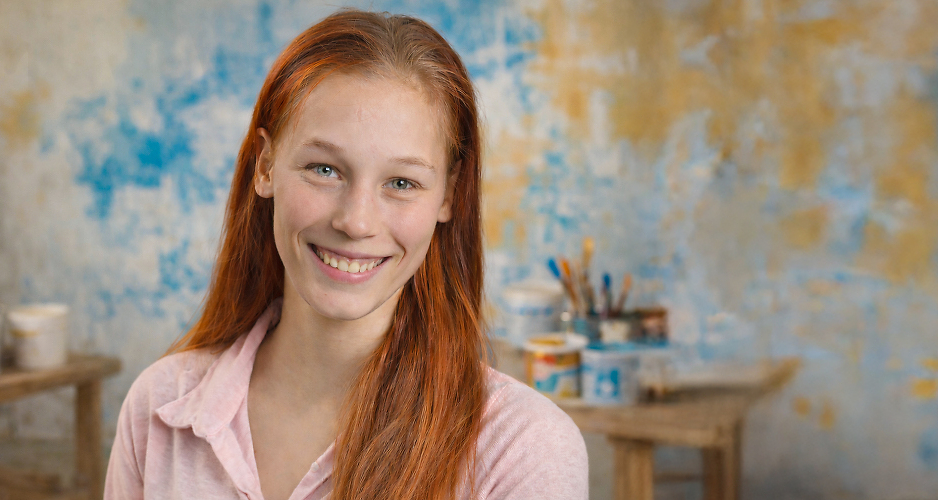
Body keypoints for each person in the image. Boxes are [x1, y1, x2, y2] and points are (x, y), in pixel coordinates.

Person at [104, 9, 588, 499]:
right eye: (324, 169)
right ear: (266, 165)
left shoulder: (524, 448)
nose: (356, 222)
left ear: (448, 194)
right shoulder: (158, 406)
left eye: (402, 182)